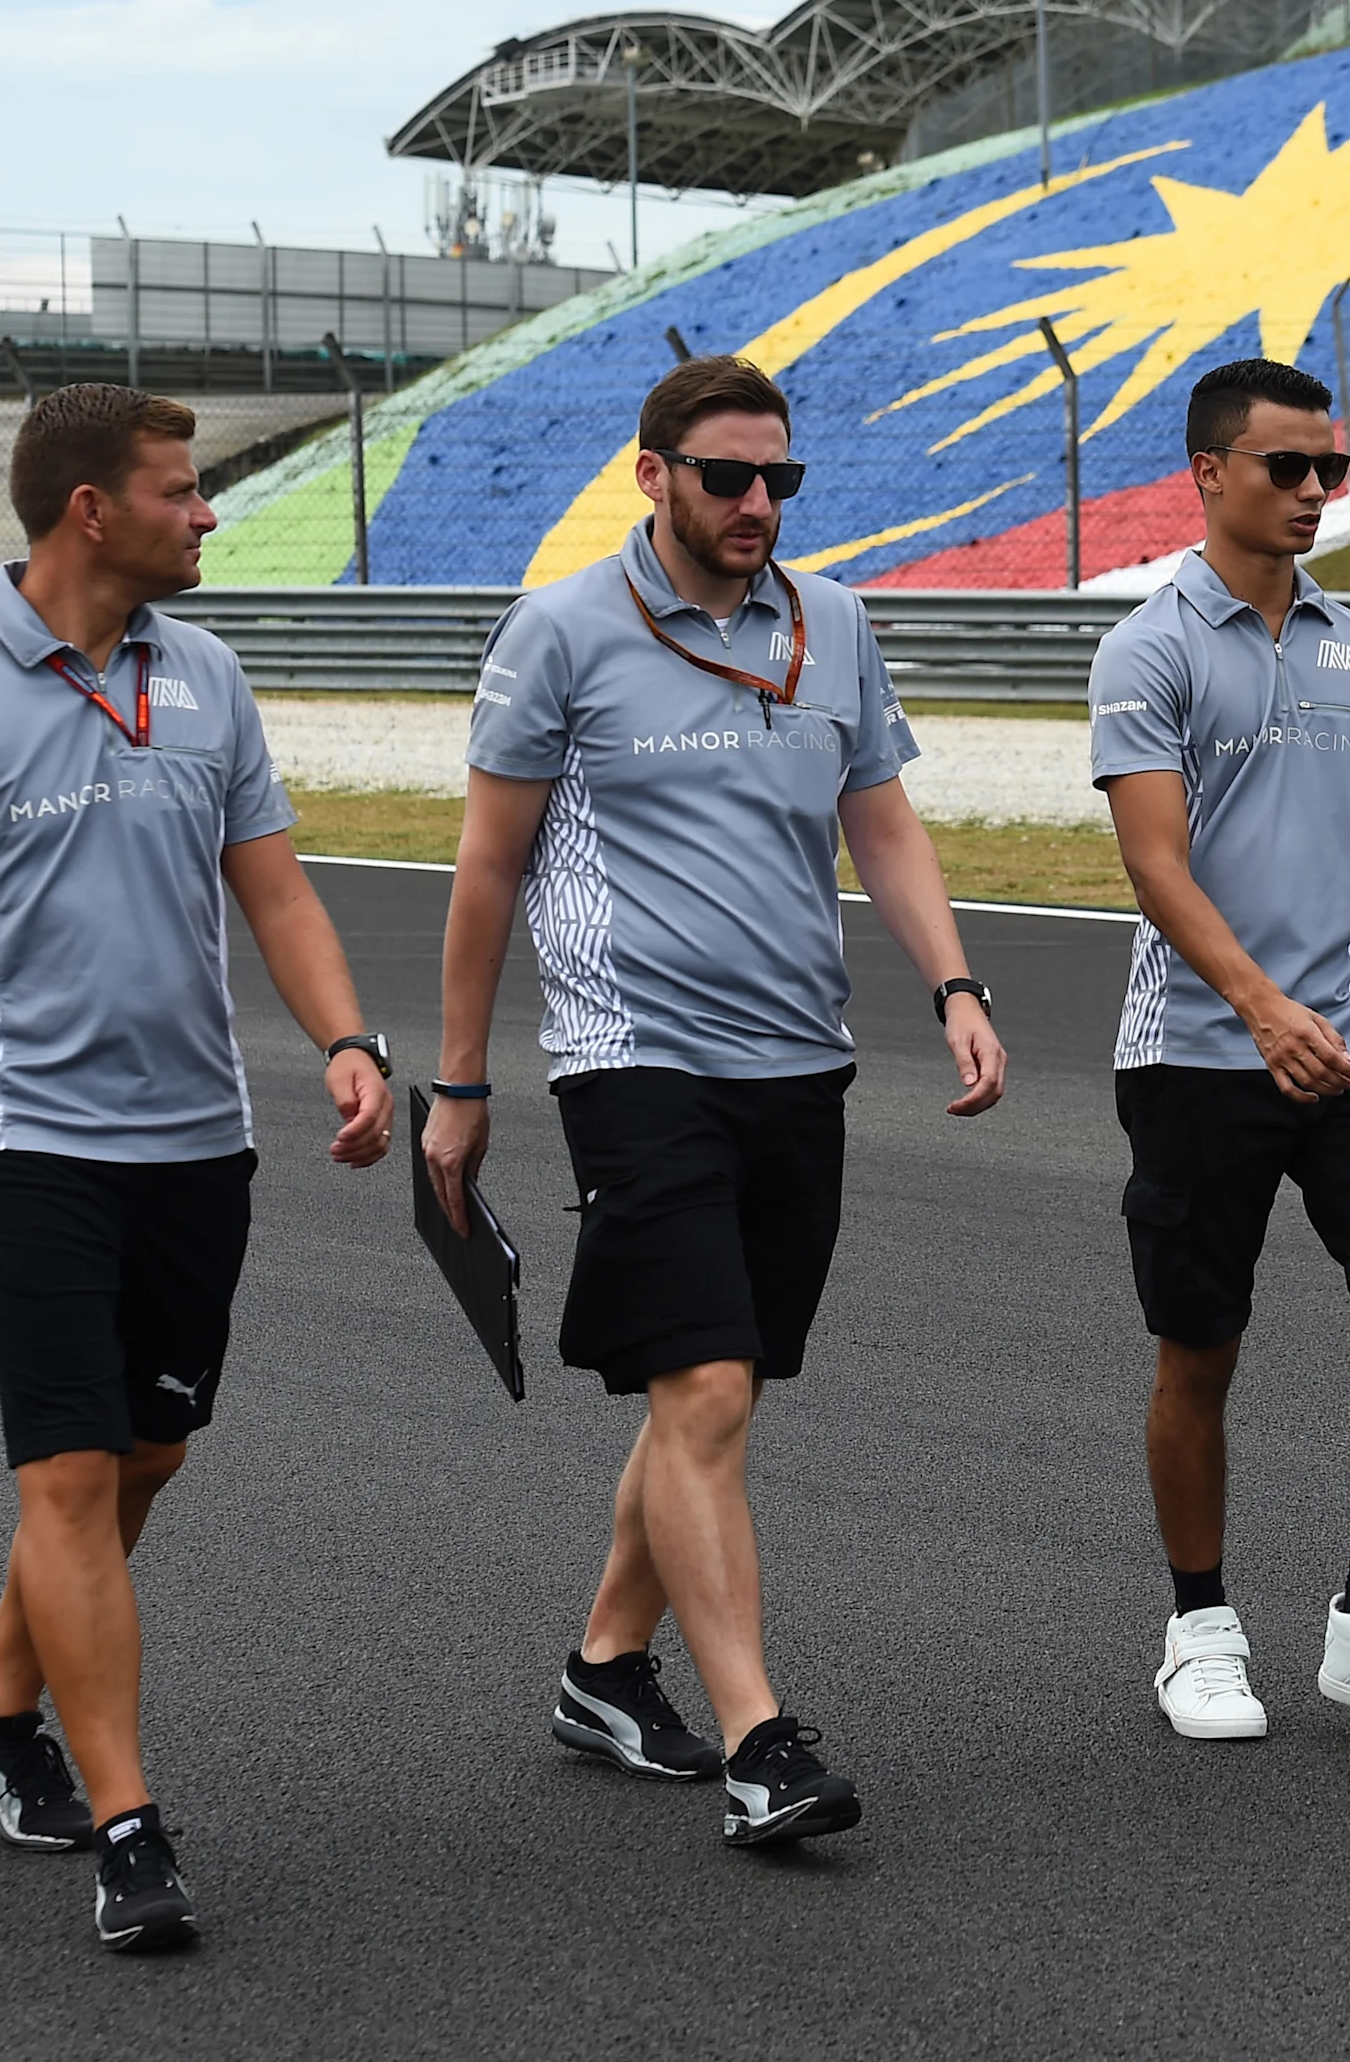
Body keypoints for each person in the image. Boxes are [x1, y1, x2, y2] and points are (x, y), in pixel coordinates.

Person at [0, 385, 395, 1953]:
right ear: (93, 508)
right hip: (25, 1140)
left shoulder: (205, 674)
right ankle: (127, 1823)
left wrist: (347, 1042)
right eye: (181, 489)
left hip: (197, 1141)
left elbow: (274, 893)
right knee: (68, 1474)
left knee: (146, 1460)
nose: (206, 513)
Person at [424, 353, 1007, 1846]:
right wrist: (463, 1079)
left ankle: (607, 1666)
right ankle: (761, 1740)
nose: (759, 505)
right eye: (729, 478)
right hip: (637, 1059)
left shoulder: (836, 624)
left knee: (720, 1379)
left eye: (780, 480)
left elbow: (880, 813)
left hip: (798, 1061)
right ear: (653, 475)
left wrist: (954, 984)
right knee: (708, 1387)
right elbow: (487, 867)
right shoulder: (558, 633)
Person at [1087, 357, 1350, 1749]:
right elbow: (1155, 863)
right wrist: (1261, 1004)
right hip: (1200, 1050)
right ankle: (1199, 1626)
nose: (1319, 490)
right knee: (1202, 1348)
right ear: (1209, 473)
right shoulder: (1147, 648)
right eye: (1288, 468)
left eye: (1333, 467)